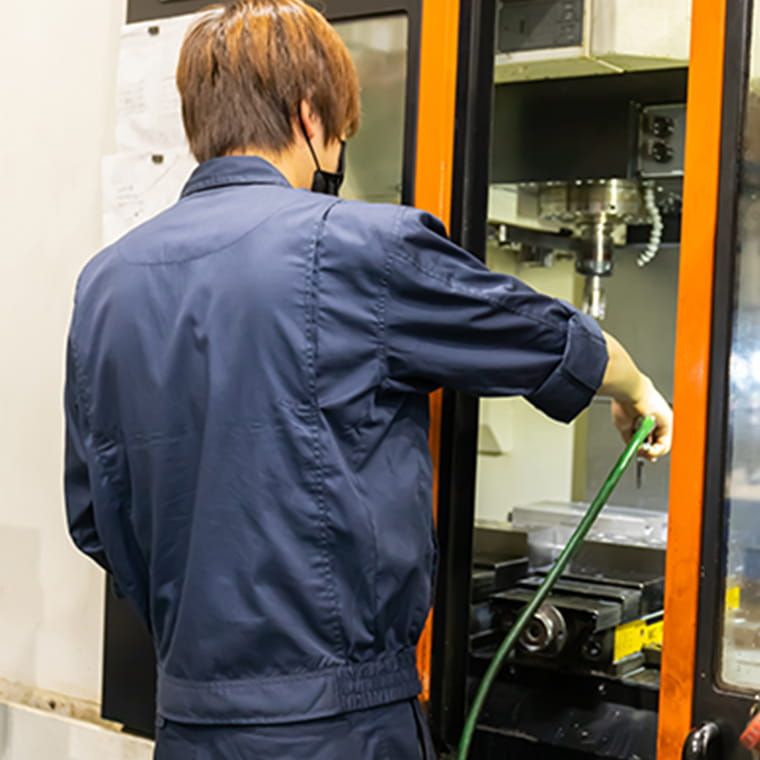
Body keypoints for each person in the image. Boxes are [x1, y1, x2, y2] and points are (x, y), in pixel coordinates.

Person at [63, 1, 673, 758]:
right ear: (310, 114)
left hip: (188, 723)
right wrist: (635, 386)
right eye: (342, 129)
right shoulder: (354, 247)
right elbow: (533, 334)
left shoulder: (107, 282)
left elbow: (94, 520)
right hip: (337, 729)